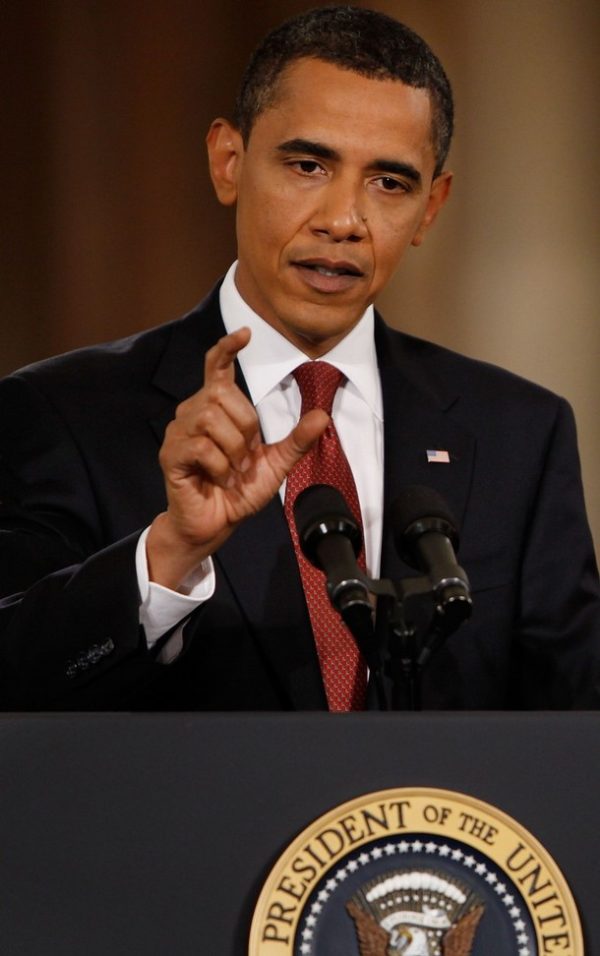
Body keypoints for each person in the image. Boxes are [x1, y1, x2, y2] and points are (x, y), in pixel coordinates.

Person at [0, 6, 598, 710]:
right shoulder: (64, 415)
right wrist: (169, 552)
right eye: (309, 165)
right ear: (229, 162)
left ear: (431, 207)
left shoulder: (520, 434)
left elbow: (577, 729)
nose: (343, 220)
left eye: (390, 183)